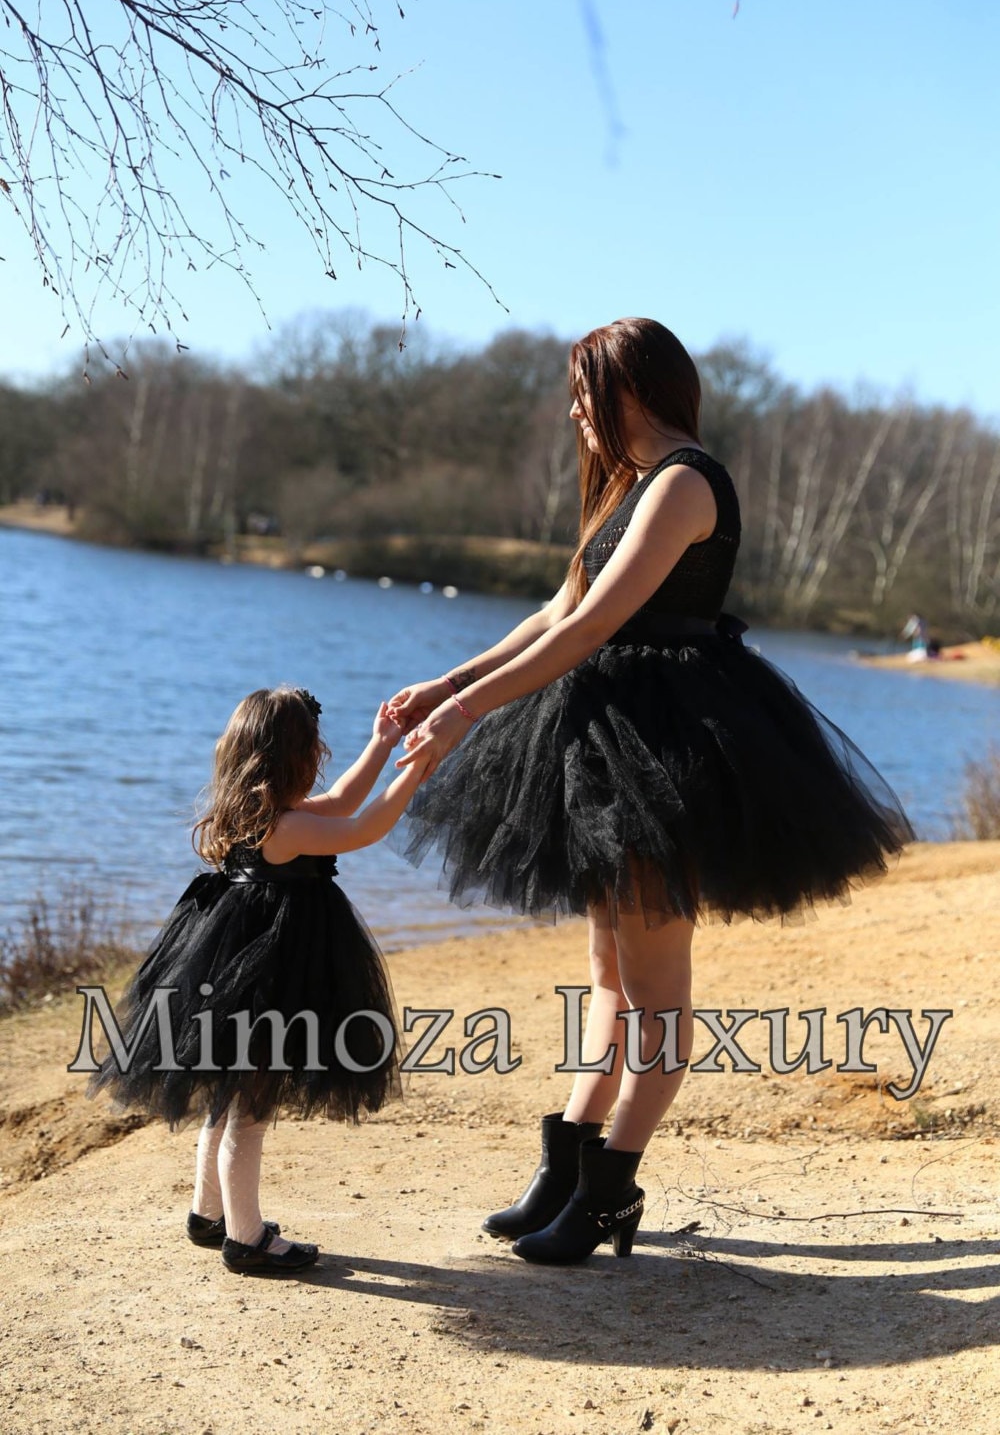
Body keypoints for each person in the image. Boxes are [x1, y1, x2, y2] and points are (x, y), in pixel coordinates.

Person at [389, 317, 912, 1267]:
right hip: (602, 743)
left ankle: (608, 1192)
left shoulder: (684, 484)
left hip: (663, 749)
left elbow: (588, 632)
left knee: (655, 991)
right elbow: (557, 610)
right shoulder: (628, 490)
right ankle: (568, 1166)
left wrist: (466, 717)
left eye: (584, 392)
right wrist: (447, 685)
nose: (576, 412)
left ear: (629, 389)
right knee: (608, 975)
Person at [89, 686, 429, 1277]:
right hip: (270, 983)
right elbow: (367, 824)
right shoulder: (289, 828)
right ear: (293, 756)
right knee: (251, 1110)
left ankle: (208, 1215)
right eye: (313, 747)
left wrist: (384, 744)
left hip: (232, 973)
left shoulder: (253, 815)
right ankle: (246, 1240)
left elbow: (346, 799)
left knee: (225, 1097)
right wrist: (418, 768)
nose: (321, 754)